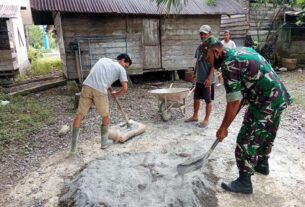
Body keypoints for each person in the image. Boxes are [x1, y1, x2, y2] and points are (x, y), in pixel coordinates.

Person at [208, 43, 292, 194]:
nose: (209, 63)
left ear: (216, 52)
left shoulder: (229, 64)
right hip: (278, 96)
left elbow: (233, 101)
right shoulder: (241, 50)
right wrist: (228, 122)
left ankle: (244, 182)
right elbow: (241, 96)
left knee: (245, 138)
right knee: (266, 131)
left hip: (264, 101)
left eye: (208, 59)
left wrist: (223, 128)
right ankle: (262, 164)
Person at [70, 53, 132, 153]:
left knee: (79, 115)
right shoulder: (121, 68)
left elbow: (96, 74)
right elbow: (125, 88)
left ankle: (72, 148)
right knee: (105, 116)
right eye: (126, 65)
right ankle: (104, 144)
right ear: (123, 60)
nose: (125, 68)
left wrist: (107, 84)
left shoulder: (103, 59)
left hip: (86, 86)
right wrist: (116, 94)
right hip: (99, 90)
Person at [184, 25, 217, 128]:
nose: (202, 36)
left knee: (208, 100)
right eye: (201, 34)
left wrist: (209, 79)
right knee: (196, 98)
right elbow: (197, 61)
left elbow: (214, 64)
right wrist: (194, 74)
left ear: (210, 34)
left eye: (205, 34)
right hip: (199, 77)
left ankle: (206, 119)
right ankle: (195, 116)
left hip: (208, 79)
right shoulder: (200, 47)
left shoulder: (212, 47)